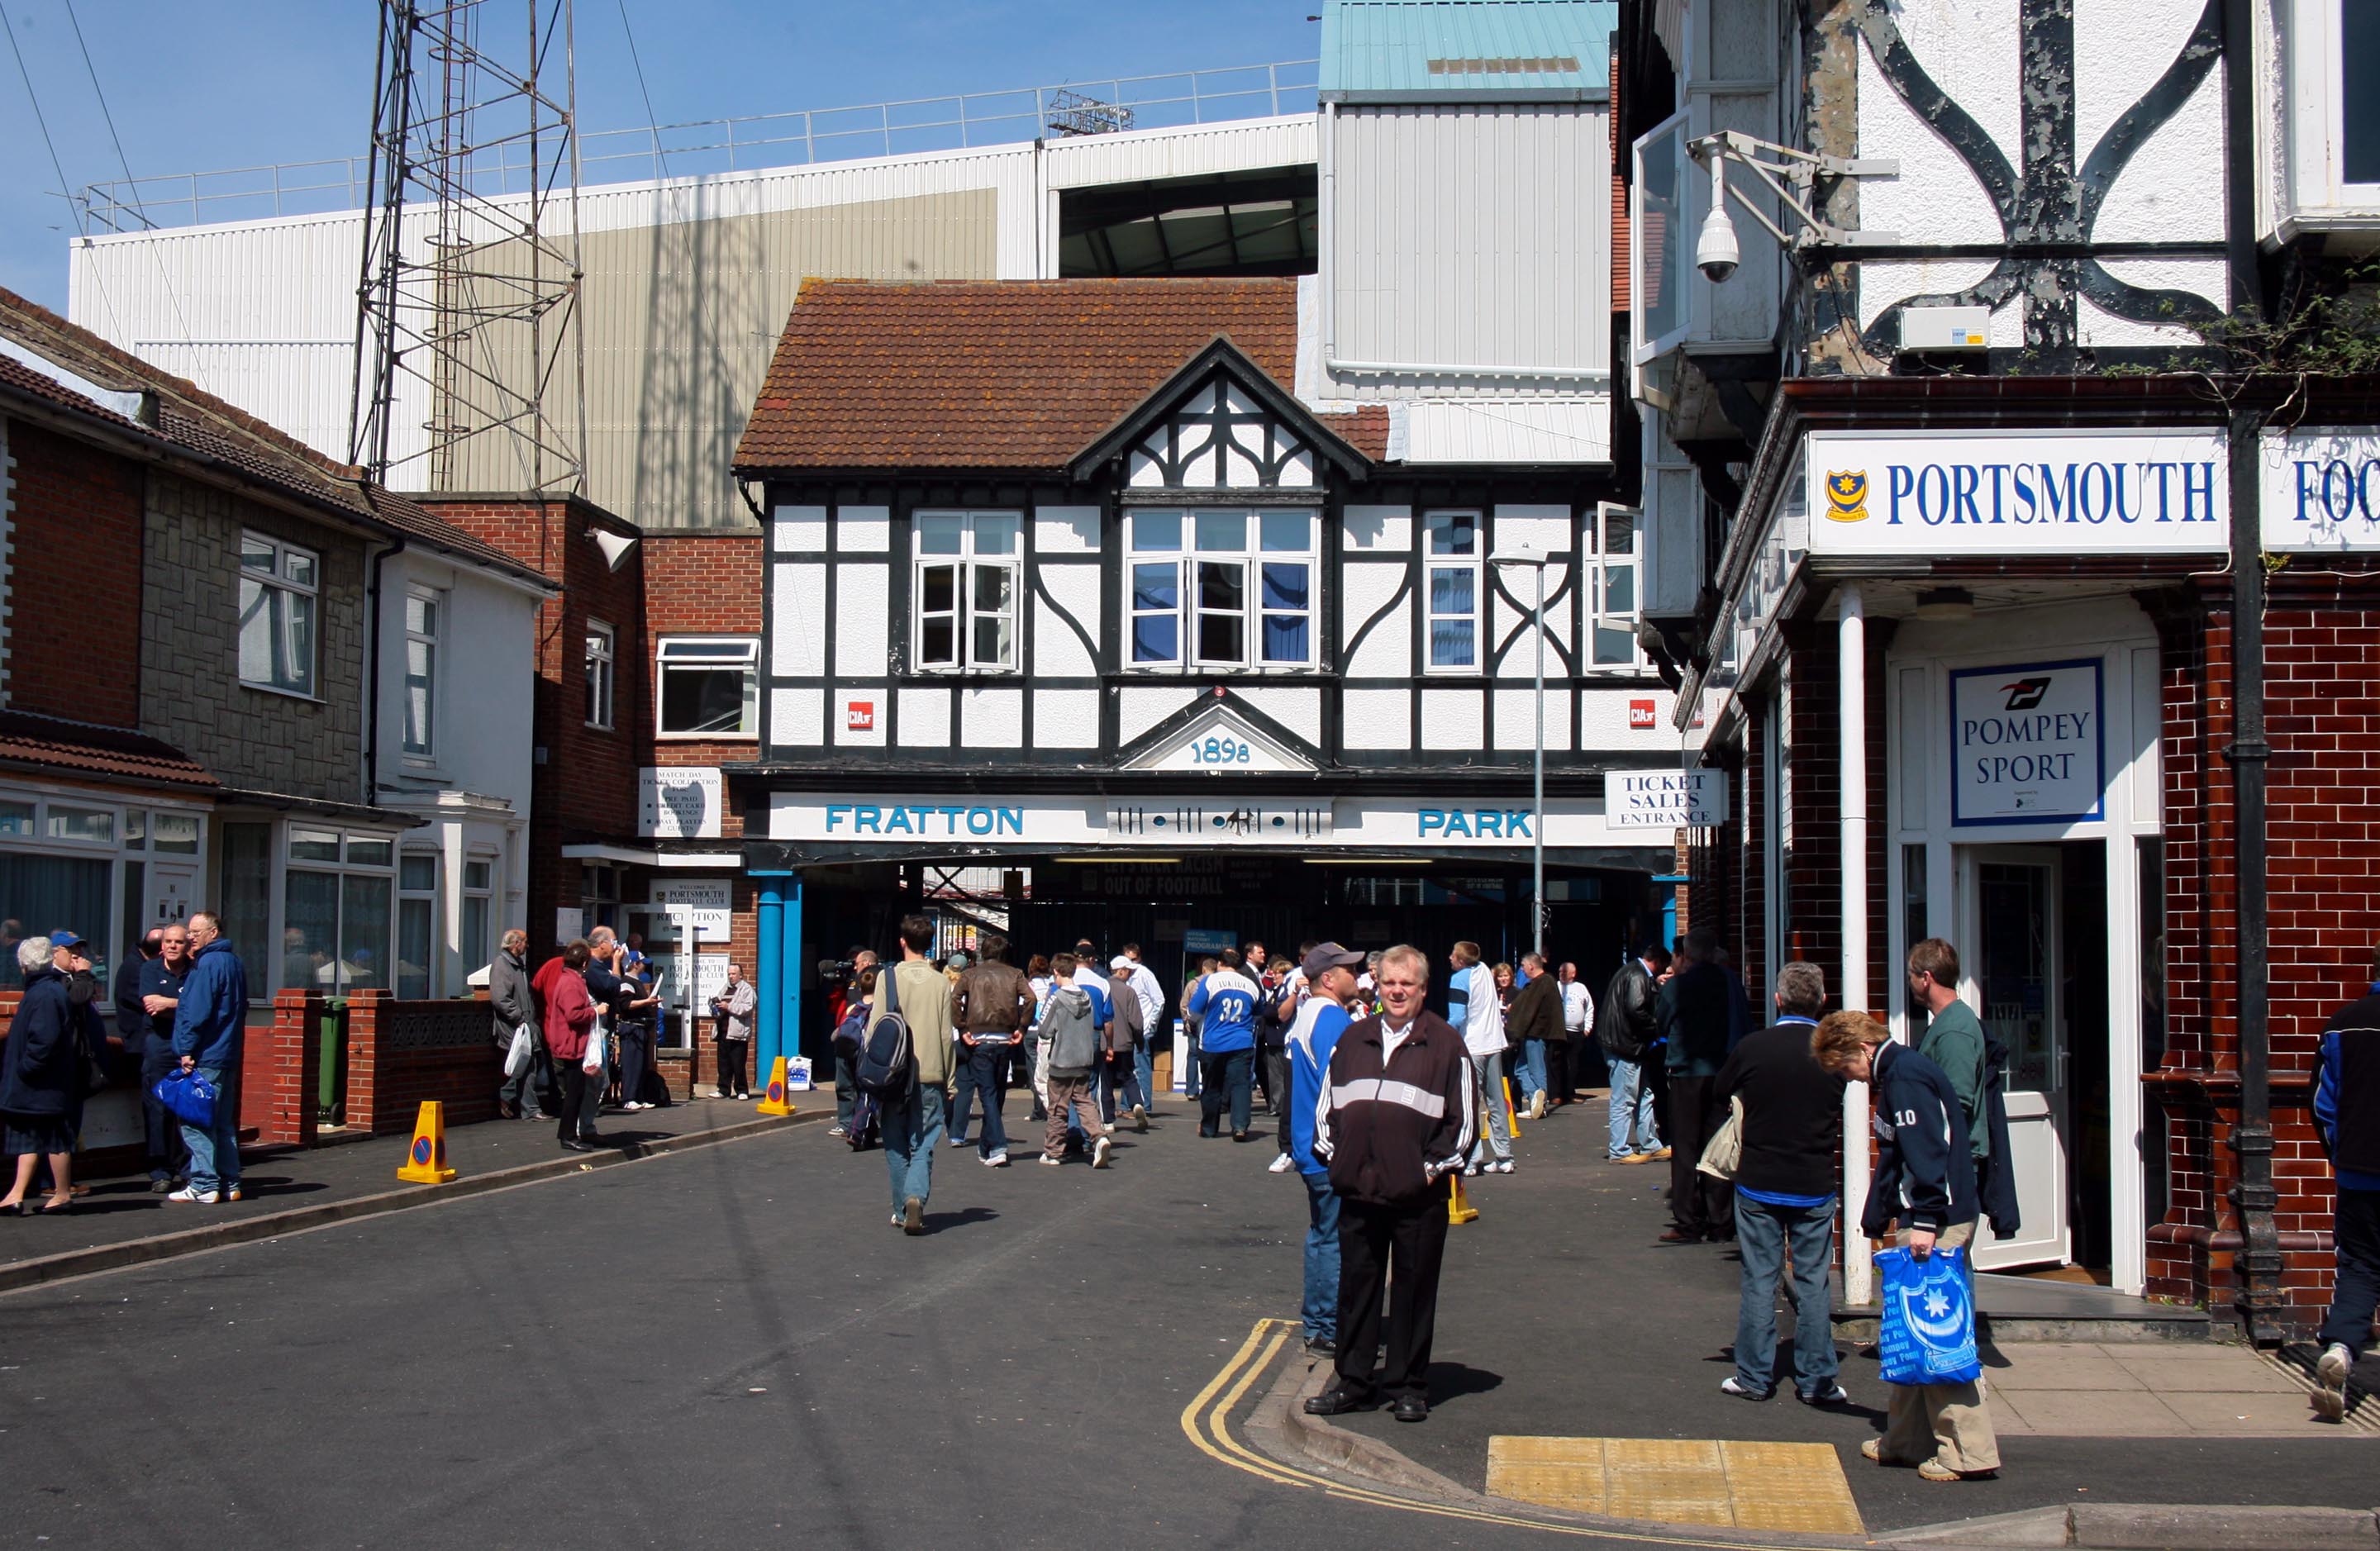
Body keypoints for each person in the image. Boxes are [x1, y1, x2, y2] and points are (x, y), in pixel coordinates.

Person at [1819, 1011, 2001, 1482]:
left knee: (1936, 1335)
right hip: (1932, 1215)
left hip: (1934, 1221)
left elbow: (1927, 1151)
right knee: (1907, 1334)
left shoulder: (1903, 1077)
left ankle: (1966, 1451)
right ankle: (1906, 1440)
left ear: (1860, 1050)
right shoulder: (1905, 1071)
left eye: (1843, 1068)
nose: (1849, 1079)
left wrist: (1922, 1218)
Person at [1305, 944, 1475, 1424]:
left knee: (1413, 1290)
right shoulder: (1353, 1039)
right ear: (1376, 986)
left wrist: (1428, 1170)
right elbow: (1326, 1111)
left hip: (1418, 1194)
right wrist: (1342, 1161)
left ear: (1423, 990)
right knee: (1357, 1289)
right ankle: (1354, 1382)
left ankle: (1408, 1385)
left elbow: (1462, 1127)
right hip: (1358, 1188)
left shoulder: (1446, 1045)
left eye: (1408, 984)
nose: (1397, 991)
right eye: (1389, 983)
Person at [1713, 961, 1845, 1404]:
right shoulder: (1832, 1054)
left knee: (1759, 1279)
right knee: (1812, 1283)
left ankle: (1753, 1376)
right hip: (1813, 1181)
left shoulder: (1754, 1048)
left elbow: (1720, 1091)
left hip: (1760, 1180)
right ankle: (1817, 1381)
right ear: (1822, 1001)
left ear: (1777, 999)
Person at [2311, 948, 2380, 1421]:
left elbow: (2324, 1102)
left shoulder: (2345, 1023)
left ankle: (2341, 1348)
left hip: (2360, 1171)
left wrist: (2341, 1151)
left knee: (2360, 1267)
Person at [1288, 942, 1364, 1358]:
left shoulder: (1307, 1014)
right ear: (1329, 979)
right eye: (1349, 969)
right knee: (1335, 1239)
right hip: (1328, 1149)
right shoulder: (1333, 1019)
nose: (1358, 974)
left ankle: (1317, 1324)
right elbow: (1342, 1089)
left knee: (1321, 1236)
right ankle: (1329, 1327)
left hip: (1307, 1145)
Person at [0, 933, 106, 1214]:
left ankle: (60, 1194)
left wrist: (25, 1068)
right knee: (34, 1137)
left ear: (24, 966)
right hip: (46, 1082)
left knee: (54, 1138)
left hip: (44, 1082)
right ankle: (17, 1194)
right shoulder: (48, 990)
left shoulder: (45, 993)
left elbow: (44, 1040)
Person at [870, 915, 958, 1233]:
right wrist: (950, 1080)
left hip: (894, 1074)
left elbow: (875, 1029)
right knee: (923, 1142)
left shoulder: (887, 978)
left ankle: (901, 1209)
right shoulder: (940, 982)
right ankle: (915, 1197)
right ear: (930, 944)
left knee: (894, 1143)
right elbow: (946, 1035)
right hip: (931, 1072)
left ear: (902, 941)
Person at [1659, 929, 1740, 1243]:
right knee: (1718, 1144)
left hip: (1686, 1071)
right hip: (1720, 1069)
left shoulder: (1678, 986)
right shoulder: (1728, 983)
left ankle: (1688, 1221)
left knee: (1685, 1147)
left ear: (1687, 955)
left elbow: (1662, 1021)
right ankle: (1720, 1220)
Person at [168, 911, 249, 1204]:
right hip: (226, 1053)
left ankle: (203, 1183)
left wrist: (186, 1049)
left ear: (213, 933)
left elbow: (197, 1011)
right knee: (222, 1122)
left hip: (206, 1054)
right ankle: (230, 1181)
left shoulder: (208, 964)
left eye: (195, 931)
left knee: (195, 1120)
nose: (190, 936)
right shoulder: (233, 963)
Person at [1907, 939, 1988, 1173]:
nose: (1909, 983)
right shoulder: (1946, 1023)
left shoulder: (1955, 1030)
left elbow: (1957, 1103)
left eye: (1911, 976)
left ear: (1926, 978)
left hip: (1949, 1163)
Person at [953, 935, 1034, 1167]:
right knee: (997, 1092)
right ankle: (987, 1144)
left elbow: (955, 998)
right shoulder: (1015, 974)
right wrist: (1022, 1026)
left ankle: (997, 1146)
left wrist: (962, 1027)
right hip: (1005, 1037)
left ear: (983, 953)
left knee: (987, 1093)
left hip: (979, 1037)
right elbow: (1031, 999)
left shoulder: (970, 974)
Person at [125, 926, 193, 1190]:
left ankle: (188, 1167)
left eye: (179, 942)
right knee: (157, 1108)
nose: (173, 946)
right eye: (169, 942)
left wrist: (172, 1004)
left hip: (188, 1045)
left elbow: (200, 1005)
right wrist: (182, 1003)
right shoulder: (150, 970)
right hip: (159, 1044)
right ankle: (160, 1171)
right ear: (161, 945)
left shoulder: (195, 970)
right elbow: (152, 1004)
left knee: (187, 1107)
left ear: (187, 946)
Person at [1038, 952, 1114, 1168]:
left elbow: (1044, 1030)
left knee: (1057, 1107)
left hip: (1062, 1060)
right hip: (1084, 1058)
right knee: (1085, 1101)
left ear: (1056, 972)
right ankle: (1099, 1137)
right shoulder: (1087, 997)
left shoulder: (1056, 997)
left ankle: (1053, 1151)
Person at [1449, 941, 1514, 1175]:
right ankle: (1504, 1156)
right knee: (1496, 1101)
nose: (1449, 958)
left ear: (1461, 960)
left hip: (1472, 1045)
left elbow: (1457, 1017)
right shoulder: (1485, 970)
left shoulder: (1459, 978)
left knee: (1470, 1104)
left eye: (1453, 955)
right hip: (1494, 1043)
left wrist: (1445, 1036)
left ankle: (1472, 1158)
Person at [1602, 944, 1669, 1163]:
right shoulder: (1637, 975)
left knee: (1644, 1095)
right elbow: (1636, 1008)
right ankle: (1619, 1149)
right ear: (1657, 962)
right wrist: (1656, 1026)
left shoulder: (1632, 972)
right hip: (1626, 1045)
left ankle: (1650, 1144)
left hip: (1625, 1044)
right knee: (1625, 1098)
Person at [1188, 948, 1261, 1140]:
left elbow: (1194, 1011)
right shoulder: (1251, 985)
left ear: (1220, 963)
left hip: (1213, 1042)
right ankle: (1240, 1127)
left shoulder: (1210, 981)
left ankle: (1209, 1128)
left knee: (1212, 1086)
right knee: (1240, 1085)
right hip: (1241, 1042)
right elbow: (1258, 1013)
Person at [538, 940, 601, 1153]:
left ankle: (567, 1133)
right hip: (571, 1044)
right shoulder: (571, 983)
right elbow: (574, 1015)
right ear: (584, 962)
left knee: (576, 1092)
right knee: (574, 1093)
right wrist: (596, 1011)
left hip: (571, 1042)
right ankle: (568, 1136)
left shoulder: (569, 980)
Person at [489, 929, 545, 1120]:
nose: (527, 945)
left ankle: (526, 1106)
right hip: (514, 1026)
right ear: (515, 944)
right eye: (524, 942)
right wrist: (519, 1017)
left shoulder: (518, 965)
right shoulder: (502, 965)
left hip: (527, 1024)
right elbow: (500, 998)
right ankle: (518, 1102)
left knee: (532, 1063)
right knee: (524, 1064)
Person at [1507, 954, 1562, 1122]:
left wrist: (1514, 1016)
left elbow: (1529, 1008)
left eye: (1523, 966)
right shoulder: (1538, 984)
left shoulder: (1543, 983)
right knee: (1521, 1069)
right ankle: (1534, 1099)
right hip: (1531, 1034)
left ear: (1531, 966)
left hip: (1536, 1034)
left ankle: (1539, 1105)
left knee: (1536, 1068)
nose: (1522, 970)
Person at [1119, 944, 1165, 1120]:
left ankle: (1144, 1106)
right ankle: (1126, 1105)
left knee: (1141, 1067)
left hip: (1142, 1029)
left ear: (1140, 958)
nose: (1131, 964)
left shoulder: (1145, 974)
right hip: (1126, 1030)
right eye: (1128, 960)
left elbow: (1159, 1000)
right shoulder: (1124, 976)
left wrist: (1150, 1025)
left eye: (1134, 960)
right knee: (1126, 1068)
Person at [1103, 957, 1150, 1131]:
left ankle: (1108, 1120)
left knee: (1106, 1082)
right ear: (1120, 971)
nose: (1129, 974)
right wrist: (1139, 1042)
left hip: (1105, 1043)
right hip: (1125, 1043)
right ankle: (1137, 1103)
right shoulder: (1129, 992)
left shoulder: (1103, 987)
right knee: (1128, 1076)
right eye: (1128, 971)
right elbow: (1136, 1022)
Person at [714, 962, 756, 1100]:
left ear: (741, 975)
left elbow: (747, 1008)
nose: (731, 977)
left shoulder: (746, 989)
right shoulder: (725, 988)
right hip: (723, 1031)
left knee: (738, 1063)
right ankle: (723, 1089)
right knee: (723, 1063)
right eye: (729, 974)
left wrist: (729, 1006)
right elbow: (721, 1004)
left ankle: (742, 1090)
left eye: (733, 974)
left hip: (738, 1033)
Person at [1559, 959, 1598, 1101]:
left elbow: (1590, 1008)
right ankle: (1558, 1093)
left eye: (1564, 972)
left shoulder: (1581, 988)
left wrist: (1587, 1028)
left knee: (1573, 1064)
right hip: (1560, 1032)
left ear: (1573, 974)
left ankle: (1570, 1092)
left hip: (1577, 1033)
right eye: (1560, 972)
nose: (1561, 974)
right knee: (1559, 1064)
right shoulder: (1556, 987)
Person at [1180, 954, 1216, 1101]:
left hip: (1193, 1026)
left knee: (1193, 1057)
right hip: (1211, 1027)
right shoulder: (1218, 984)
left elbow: (1184, 1005)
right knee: (1211, 1059)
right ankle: (1209, 1088)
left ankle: (1191, 1090)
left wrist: (1187, 1021)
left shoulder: (1192, 984)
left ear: (1203, 969)